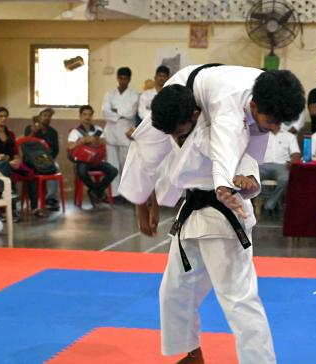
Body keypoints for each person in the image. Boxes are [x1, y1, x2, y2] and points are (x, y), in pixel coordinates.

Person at [120, 64, 305, 364]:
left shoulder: (233, 117)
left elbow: (234, 152)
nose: (275, 129)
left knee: (239, 300)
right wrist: (143, 200)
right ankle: (191, 354)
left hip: (219, 218)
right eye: (272, 121)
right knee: (174, 292)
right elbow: (153, 156)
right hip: (194, 213)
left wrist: (229, 184)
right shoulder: (199, 115)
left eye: (277, 123)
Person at [0, 107, 46, 218]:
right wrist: (0, 158)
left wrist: (17, 161)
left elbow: (15, 152)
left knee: (32, 175)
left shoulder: (10, 134)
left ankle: (34, 207)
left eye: (5, 116)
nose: (3, 119)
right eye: (0, 116)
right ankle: (11, 210)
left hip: (12, 162)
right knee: (9, 176)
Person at [68, 105, 118, 208]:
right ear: (80, 116)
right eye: (85, 114)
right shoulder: (75, 132)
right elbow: (70, 147)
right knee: (81, 171)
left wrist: (93, 140)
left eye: (90, 115)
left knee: (113, 171)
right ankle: (98, 192)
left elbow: (103, 142)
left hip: (96, 160)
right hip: (83, 161)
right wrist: (81, 141)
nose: (87, 117)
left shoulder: (98, 129)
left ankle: (95, 191)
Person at [101, 67, 139, 199]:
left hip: (125, 134)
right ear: (117, 78)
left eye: (125, 78)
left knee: (126, 166)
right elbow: (105, 112)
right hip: (111, 133)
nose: (123, 81)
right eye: (121, 78)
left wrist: (115, 111)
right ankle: (114, 194)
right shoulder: (109, 94)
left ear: (129, 79)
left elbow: (130, 113)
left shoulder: (134, 95)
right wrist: (118, 113)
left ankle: (127, 194)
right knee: (112, 165)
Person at [259, 123, 301, 213]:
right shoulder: (260, 134)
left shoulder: (289, 136)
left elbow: (296, 153)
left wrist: (293, 160)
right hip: (262, 165)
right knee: (252, 177)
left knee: (285, 179)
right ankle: (270, 200)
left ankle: (269, 204)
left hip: (282, 165)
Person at [24, 107, 60, 211]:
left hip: (47, 159)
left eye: (49, 116)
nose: (47, 118)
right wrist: (33, 132)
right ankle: (34, 201)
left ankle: (50, 199)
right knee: (31, 170)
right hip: (31, 160)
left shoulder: (53, 132)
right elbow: (25, 144)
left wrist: (48, 159)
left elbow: (56, 150)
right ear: (39, 117)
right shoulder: (29, 128)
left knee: (56, 167)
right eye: (44, 115)